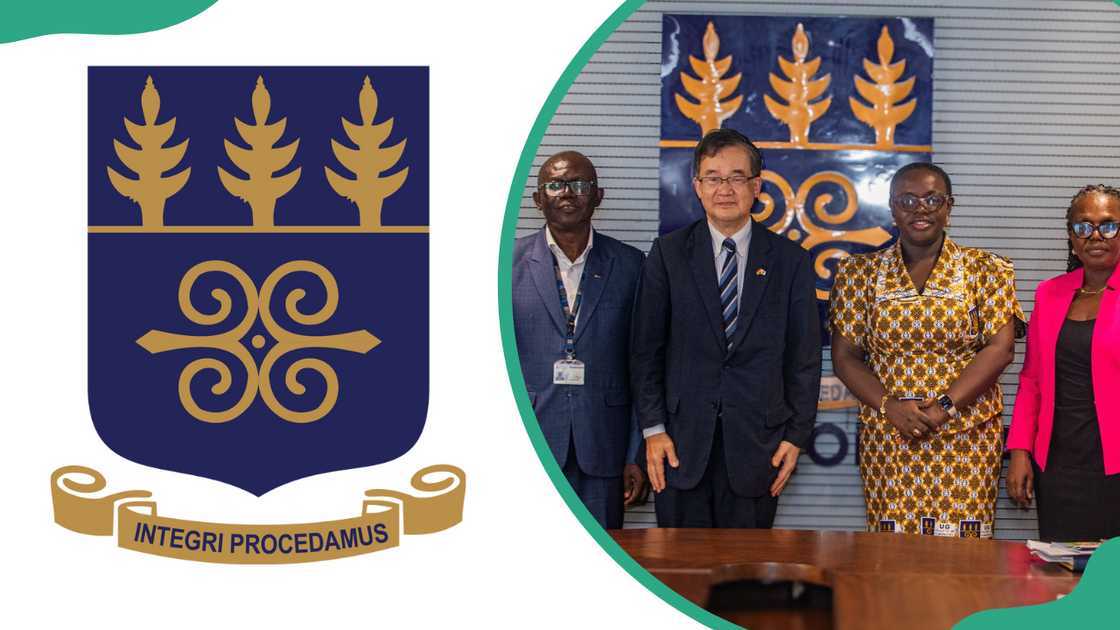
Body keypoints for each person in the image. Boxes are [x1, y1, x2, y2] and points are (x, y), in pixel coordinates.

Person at [631, 129, 820, 528]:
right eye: (713, 178)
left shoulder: (791, 262)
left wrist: (796, 436)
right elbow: (645, 352)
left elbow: (803, 361)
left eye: (737, 177)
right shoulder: (668, 254)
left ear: (756, 186)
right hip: (678, 446)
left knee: (746, 564)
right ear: (697, 187)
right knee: (679, 561)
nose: (725, 189)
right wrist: (653, 430)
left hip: (759, 448)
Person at [829, 162, 1024, 538]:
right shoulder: (858, 274)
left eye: (933, 199)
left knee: (964, 555)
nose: (920, 209)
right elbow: (844, 357)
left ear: (949, 207)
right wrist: (890, 407)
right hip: (890, 436)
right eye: (908, 200)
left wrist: (943, 407)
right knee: (892, 555)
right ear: (892, 208)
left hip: (967, 436)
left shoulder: (987, 269)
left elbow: (1000, 350)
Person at [512, 150, 647, 529]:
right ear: (537, 199)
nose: (567, 193)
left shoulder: (632, 265)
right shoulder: (505, 264)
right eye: (555, 185)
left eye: (580, 184)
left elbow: (644, 365)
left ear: (598, 196)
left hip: (604, 448)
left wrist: (635, 454)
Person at [1007, 185, 1120, 541]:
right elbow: (1031, 380)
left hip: (1114, 463)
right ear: (1071, 238)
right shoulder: (1050, 293)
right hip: (1057, 466)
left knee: (1111, 569)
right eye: (1083, 226)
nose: (1095, 236)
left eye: (1109, 225)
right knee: (1058, 566)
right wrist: (1020, 452)